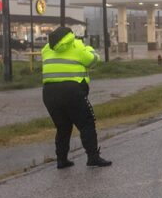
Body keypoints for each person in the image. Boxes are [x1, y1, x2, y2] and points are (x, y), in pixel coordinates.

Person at [41, 27, 112, 168]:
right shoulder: (77, 46)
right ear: (70, 36)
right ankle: (93, 157)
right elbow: (93, 61)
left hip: (49, 93)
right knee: (86, 123)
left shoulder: (47, 49)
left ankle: (61, 160)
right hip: (72, 91)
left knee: (62, 126)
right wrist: (89, 49)